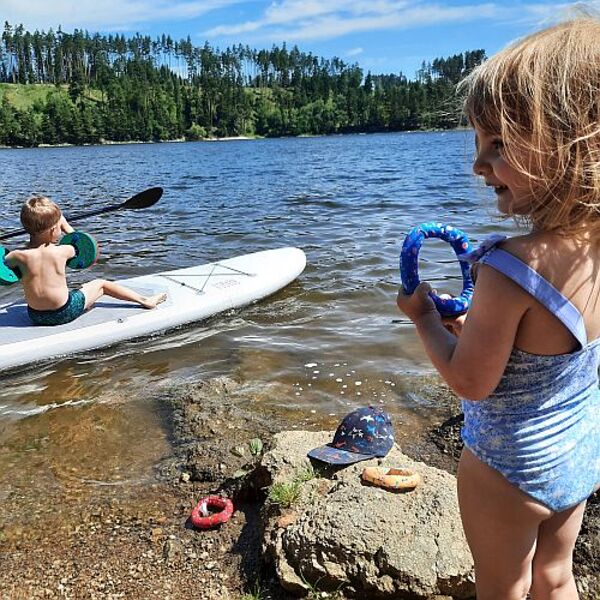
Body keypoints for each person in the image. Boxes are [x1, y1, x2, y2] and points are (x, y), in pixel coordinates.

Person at [396, 17, 600, 600]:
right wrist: (480, 327)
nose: (478, 164)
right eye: (479, 143)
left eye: (500, 143)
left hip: (507, 469)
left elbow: (470, 380)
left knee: (502, 585)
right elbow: (551, 343)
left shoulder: (510, 267)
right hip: (579, 452)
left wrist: (426, 319)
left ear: (575, 144)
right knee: (556, 577)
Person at [5, 195, 167, 326]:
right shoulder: (64, 251)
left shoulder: (16, 256)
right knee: (101, 284)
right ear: (55, 228)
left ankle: (85, 306)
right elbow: (83, 248)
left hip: (35, 316)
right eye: (58, 228)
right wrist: (66, 225)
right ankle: (145, 301)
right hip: (63, 313)